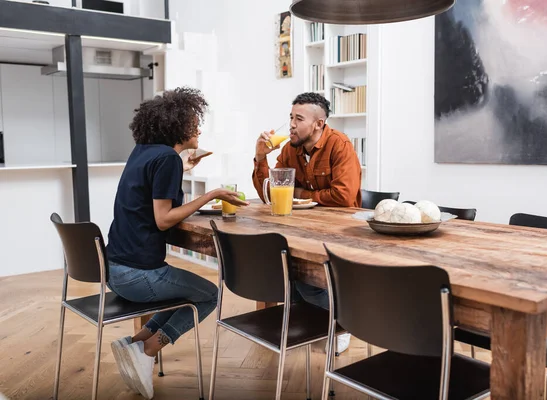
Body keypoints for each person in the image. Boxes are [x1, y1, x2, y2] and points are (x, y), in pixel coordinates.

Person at [106, 87, 249, 399]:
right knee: (209, 296)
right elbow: (163, 219)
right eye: (194, 121)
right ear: (177, 125)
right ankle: (147, 350)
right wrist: (211, 194)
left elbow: (148, 192)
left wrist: (180, 169)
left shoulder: (145, 151)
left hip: (115, 269)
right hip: (138, 275)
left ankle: (135, 343)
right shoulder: (166, 158)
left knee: (188, 295)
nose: (198, 128)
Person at [251, 92, 360, 353]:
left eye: (298, 119)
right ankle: (317, 319)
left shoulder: (340, 145)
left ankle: (341, 322)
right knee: (287, 269)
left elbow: (343, 197)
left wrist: (299, 193)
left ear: (318, 124)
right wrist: (260, 157)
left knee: (303, 277)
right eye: (290, 117)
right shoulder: (290, 148)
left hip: (341, 233)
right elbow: (268, 193)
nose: (290, 124)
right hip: (303, 229)